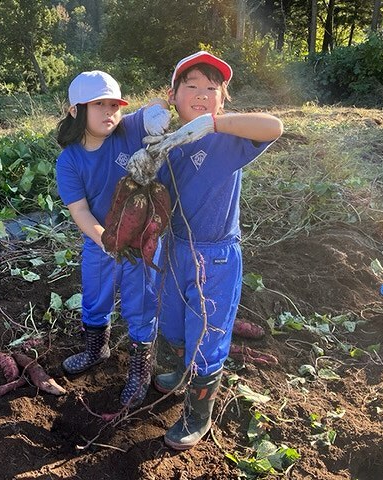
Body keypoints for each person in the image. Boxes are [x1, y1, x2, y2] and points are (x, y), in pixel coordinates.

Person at [130, 51, 283, 449]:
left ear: (222, 98)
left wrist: (210, 125)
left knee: (208, 332)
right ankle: (177, 374)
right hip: (173, 249)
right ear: (173, 94)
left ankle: (198, 414)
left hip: (214, 257)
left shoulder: (230, 140)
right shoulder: (165, 143)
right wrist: (145, 159)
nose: (201, 94)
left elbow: (275, 127)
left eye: (211, 89)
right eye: (191, 86)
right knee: (174, 319)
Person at [55, 70, 170, 408]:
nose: (109, 112)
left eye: (114, 105)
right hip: (101, 241)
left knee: (141, 304)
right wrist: (107, 241)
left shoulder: (128, 130)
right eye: (99, 105)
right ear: (75, 110)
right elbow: (80, 211)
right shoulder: (70, 161)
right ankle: (96, 349)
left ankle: (140, 368)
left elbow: (154, 109)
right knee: (95, 296)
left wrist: (162, 108)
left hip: (141, 242)